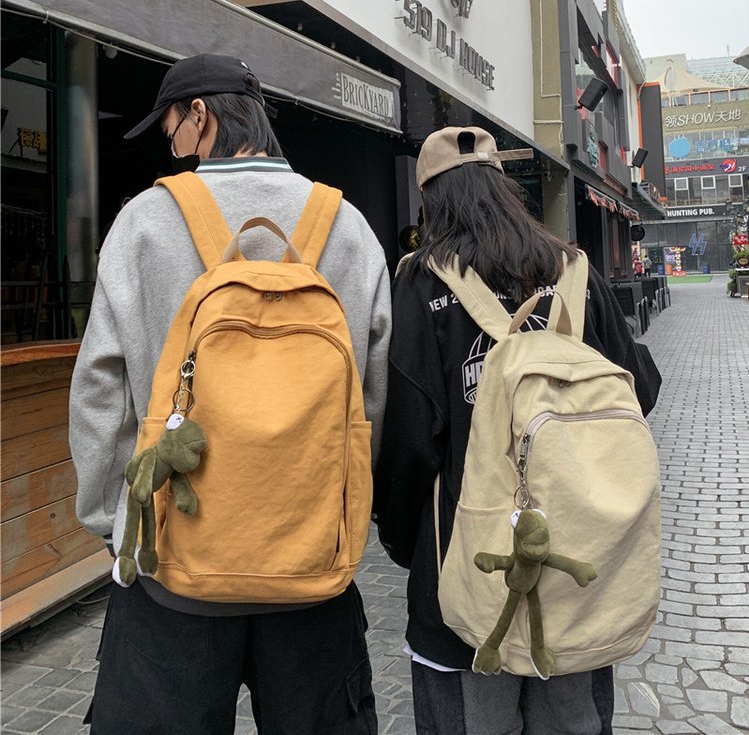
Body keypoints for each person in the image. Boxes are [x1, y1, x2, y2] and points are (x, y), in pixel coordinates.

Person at [70, 53, 391, 735]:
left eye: (171, 131)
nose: (172, 147)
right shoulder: (348, 227)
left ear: (201, 115)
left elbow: (100, 390)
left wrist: (115, 521)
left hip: (171, 573)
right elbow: (372, 398)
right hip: (311, 571)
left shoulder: (144, 223)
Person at [373, 126, 660, 735]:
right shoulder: (575, 271)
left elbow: (408, 443)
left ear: (430, 201)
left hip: (465, 572)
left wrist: (403, 542)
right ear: (504, 189)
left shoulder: (421, 283)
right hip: (575, 566)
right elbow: (642, 389)